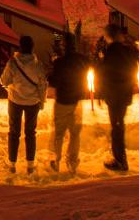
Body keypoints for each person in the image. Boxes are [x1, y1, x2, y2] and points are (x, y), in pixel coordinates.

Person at [0, 35, 47, 175]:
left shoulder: (12, 63)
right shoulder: (38, 65)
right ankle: (30, 165)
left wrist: (8, 85)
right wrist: (42, 101)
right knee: (30, 133)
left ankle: (12, 164)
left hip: (15, 101)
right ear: (32, 47)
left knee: (14, 132)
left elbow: (4, 81)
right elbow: (42, 85)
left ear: (20, 47)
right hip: (32, 102)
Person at [47, 31, 89, 174]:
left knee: (59, 132)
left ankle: (56, 160)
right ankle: (72, 161)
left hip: (63, 101)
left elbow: (54, 81)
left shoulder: (60, 62)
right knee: (75, 133)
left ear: (64, 45)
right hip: (77, 101)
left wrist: (51, 73)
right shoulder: (82, 60)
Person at [98, 24, 139, 171]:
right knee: (119, 125)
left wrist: (103, 91)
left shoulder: (112, 51)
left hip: (114, 94)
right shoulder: (127, 51)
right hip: (124, 93)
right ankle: (120, 158)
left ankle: (120, 160)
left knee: (116, 127)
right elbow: (133, 69)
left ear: (109, 36)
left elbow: (106, 73)